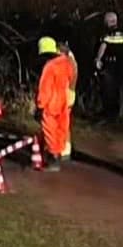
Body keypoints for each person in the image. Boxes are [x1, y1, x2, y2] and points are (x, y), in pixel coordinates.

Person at [36, 36, 72, 171]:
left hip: (51, 104)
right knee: (61, 130)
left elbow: (45, 89)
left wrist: (40, 106)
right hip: (64, 102)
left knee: (50, 131)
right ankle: (59, 154)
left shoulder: (49, 67)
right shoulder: (66, 63)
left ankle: (53, 160)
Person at [94, 12, 123, 121]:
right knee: (116, 90)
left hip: (110, 66)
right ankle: (115, 113)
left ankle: (109, 113)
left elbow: (103, 47)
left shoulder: (108, 34)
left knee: (108, 90)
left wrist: (98, 59)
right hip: (121, 66)